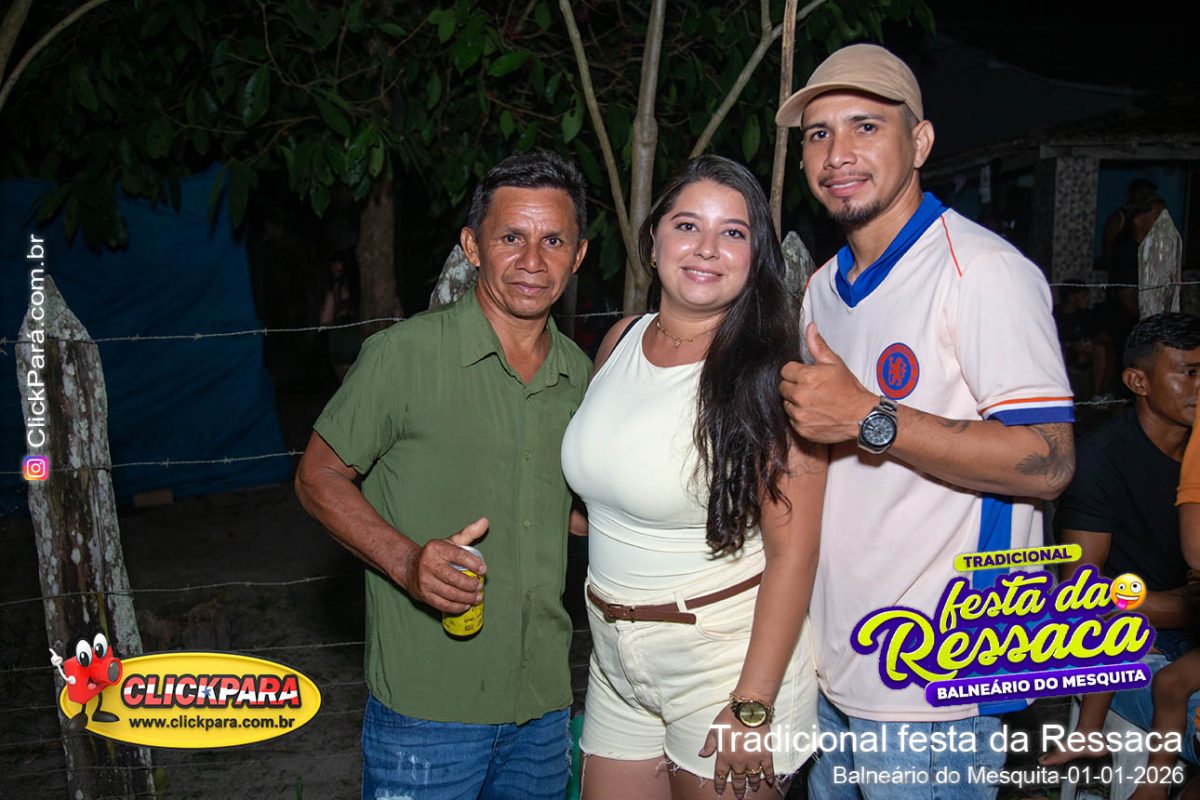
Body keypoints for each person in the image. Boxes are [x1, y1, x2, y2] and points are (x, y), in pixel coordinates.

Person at [774, 43, 1076, 799]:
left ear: (920, 141)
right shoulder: (821, 290)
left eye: (866, 127)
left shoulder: (981, 271)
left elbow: (1050, 461)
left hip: (937, 681)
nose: (838, 154)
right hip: (834, 663)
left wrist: (869, 416)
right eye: (818, 134)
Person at [294, 150, 593, 800]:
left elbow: (572, 511)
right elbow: (318, 476)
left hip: (543, 707)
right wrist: (406, 563)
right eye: (511, 237)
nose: (532, 260)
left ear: (579, 256)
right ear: (473, 246)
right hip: (427, 712)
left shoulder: (582, 378)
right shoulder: (403, 356)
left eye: (553, 241)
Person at [561, 155, 824, 800]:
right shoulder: (620, 340)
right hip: (613, 657)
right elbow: (605, 488)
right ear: (653, 240)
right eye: (687, 226)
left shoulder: (778, 376)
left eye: (733, 232)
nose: (707, 248)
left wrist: (753, 704)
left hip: (727, 663)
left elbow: (795, 554)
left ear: (756, 257)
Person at [1051, 313, 1200, 796]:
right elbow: (1081, 593)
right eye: (1189, 372)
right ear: (1138, 381)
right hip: (1124, 647)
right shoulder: (1101, 459)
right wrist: (1180, 604)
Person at [319, 251, 362, 382]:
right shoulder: (363, 287)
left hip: (340, 338)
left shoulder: (335, 289)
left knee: (346, 384)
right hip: (357, 336)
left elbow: (324, 320)